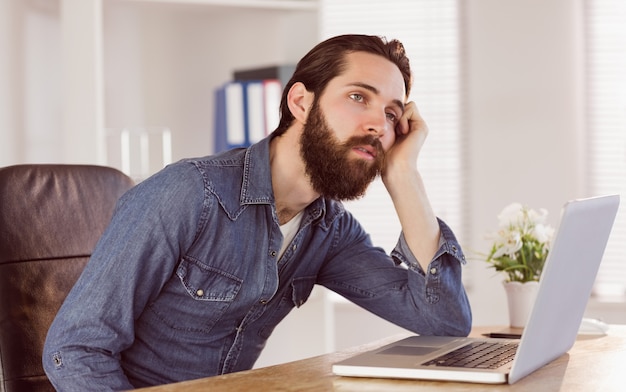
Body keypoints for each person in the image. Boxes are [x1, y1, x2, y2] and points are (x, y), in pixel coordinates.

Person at [43, 34, 471, 390]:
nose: (380, 125)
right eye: (359, 96)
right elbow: (76, 349)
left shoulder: (330, 232)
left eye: (393, 114)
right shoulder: (191, 194)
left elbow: (444, 322)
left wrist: (404, 177)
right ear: (301, 103)